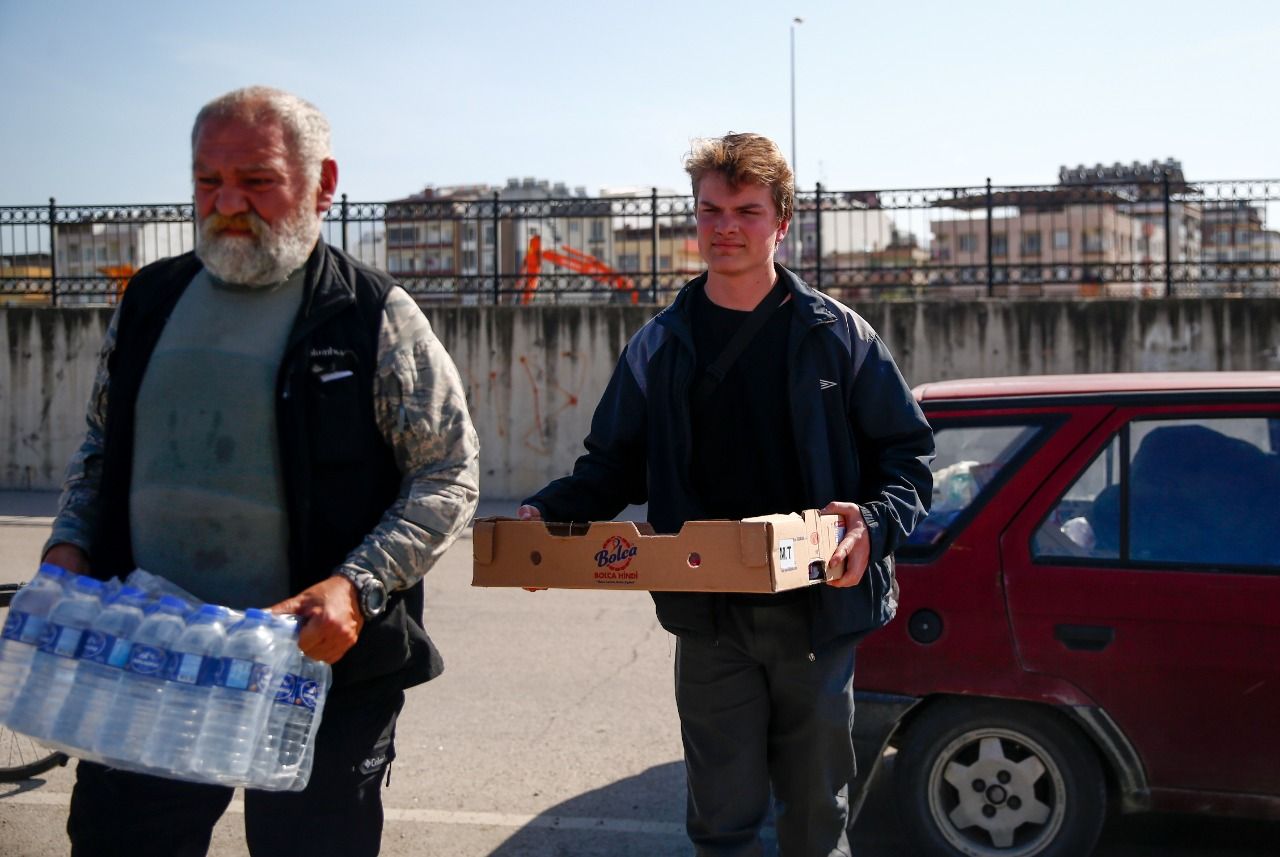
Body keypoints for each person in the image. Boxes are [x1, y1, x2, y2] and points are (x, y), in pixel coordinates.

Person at [41, 86, 479, 857]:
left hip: (315, 674)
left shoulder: (372, 313)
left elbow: (448, 474)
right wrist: (70, 544)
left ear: (324, 182)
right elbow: (101, 448)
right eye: (208, 182)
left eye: (258, 180)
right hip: (153, 657)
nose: (228, 203)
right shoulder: (149, 300)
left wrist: (356, 584)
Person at [517, 133, 933, 856]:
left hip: (818, 615)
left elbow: (908, 459)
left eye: (746, 210)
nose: (725, 227)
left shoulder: (842, 338)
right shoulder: (660, 344)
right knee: (721, 826)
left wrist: (872, 523)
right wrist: (548, 517)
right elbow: (612, 466)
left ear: (783, 222)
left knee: (815, 823)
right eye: (710, 210)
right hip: (708, 620)